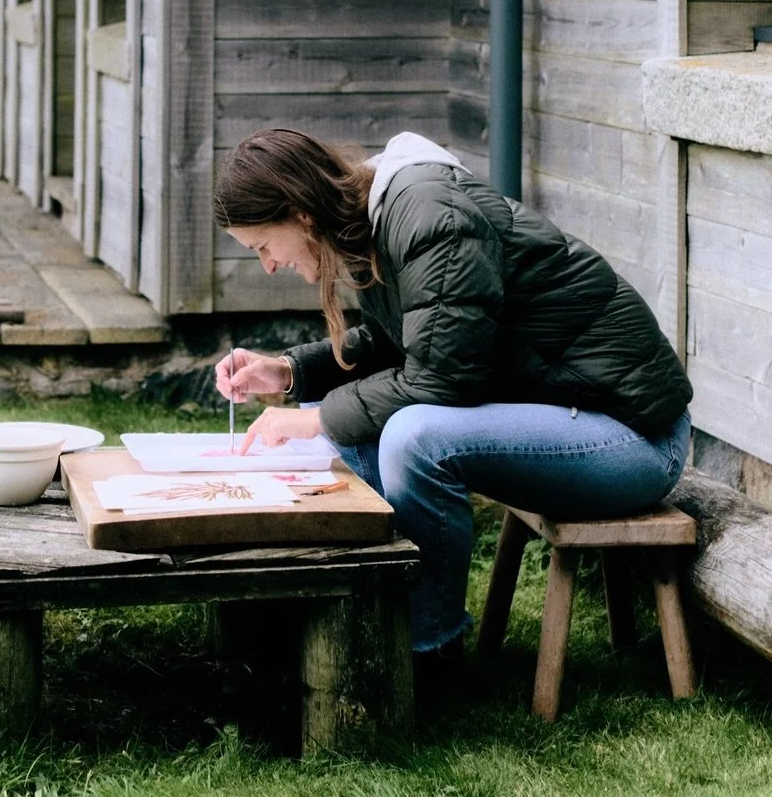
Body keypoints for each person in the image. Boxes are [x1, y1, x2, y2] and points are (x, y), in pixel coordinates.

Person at [214, 129, 692, 665]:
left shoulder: (429, 216)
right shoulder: (379, 217)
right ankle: (372, 610)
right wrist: (289, 372)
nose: (268, 264)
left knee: (412, 436)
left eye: (262, 246)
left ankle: (428, 648)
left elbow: (444, 377)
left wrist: (320, 418)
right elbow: (404, 341)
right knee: (335, 415)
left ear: (301, 215)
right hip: (569, 414)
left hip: (634, 438)